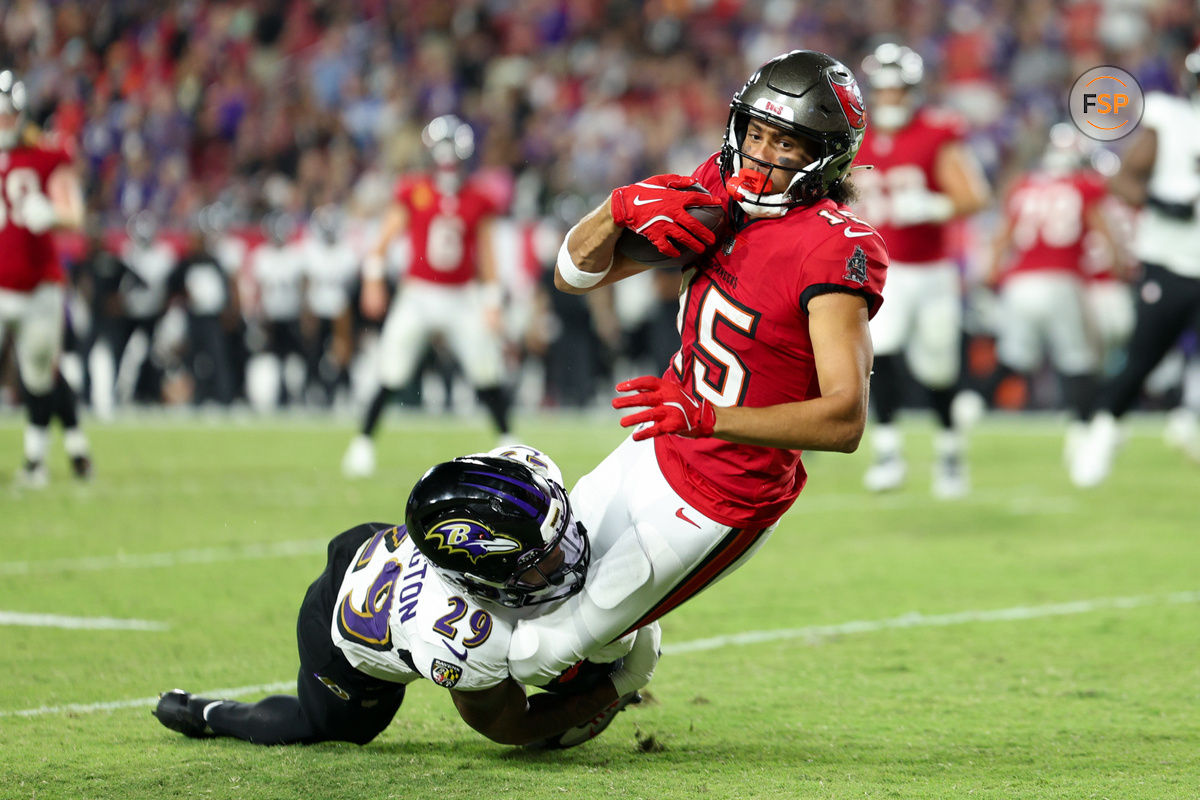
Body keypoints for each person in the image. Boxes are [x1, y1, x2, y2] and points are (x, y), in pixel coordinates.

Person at [506, 50, 887, 687]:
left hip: (721, 496)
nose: (761, 157)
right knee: (528, 586)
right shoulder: (717, 185)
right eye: (756, 134)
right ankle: (621, 641)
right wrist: (617, 206)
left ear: (824, 157)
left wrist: (705, 415)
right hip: (656, 443)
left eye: (785, 144)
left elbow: (844, 421)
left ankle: (620, 666)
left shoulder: (833, 247)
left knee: (532, 661)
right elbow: (573, 274)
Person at [153, 445, 660, 748]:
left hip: (381, 548)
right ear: (481, 580)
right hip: (340, 635)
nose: (567, 557)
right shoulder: (459, 637)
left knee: (562, 639)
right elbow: (508, 725)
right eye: (541, 560)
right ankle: (210, 714)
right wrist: (611, 691)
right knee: (326, 730)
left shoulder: (522, 468)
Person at [852, 43, 991, 498]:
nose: (891, 97)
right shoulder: (853, 137)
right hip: (880, 269)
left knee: (938, 368)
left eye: (898, 88)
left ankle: (950, 450)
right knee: (880, 356)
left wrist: (936, 204)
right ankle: (888, 449)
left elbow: (975, 196)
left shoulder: (937, 132)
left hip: (931, 271)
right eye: (884, 88)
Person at [343, 115, 511, 478]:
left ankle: (509, 440)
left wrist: (493, 301)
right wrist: (373, 279)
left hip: (461, 295)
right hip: (418, 292)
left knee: (486, 367)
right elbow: (384, 240)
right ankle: (363, 442)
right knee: (391, 367)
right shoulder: (414, 190)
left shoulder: (477, 199)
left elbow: (487, 255)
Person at [1070, 44, 1200, 487]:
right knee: (1142, 357)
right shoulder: (1172, 121)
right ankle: (1103, 432)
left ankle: (1188, 418)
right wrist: (1161, 203)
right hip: (1169, 261)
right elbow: (1123, 180)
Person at [984, 123, 1121, 464]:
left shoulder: (1025, 186)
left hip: (1019, 283)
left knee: (1014, 358)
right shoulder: (1084, 186)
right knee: (1078, 360)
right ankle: (1080, 432)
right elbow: (1104, 231)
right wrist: (1121, 266)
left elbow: (1003, 236)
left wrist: (992, 272)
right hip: (1062, 279)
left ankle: (967, 406)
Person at [0, 69, 93, 487]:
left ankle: (39, 461)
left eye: (9, 113)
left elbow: (76, 216)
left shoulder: (45, 155)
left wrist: (53, 214)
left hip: (39, 287)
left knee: (39, 373)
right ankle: (72, 448)